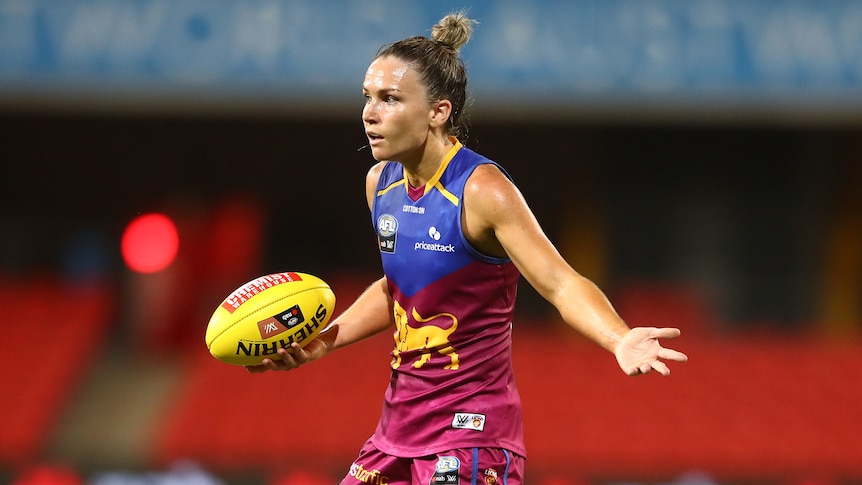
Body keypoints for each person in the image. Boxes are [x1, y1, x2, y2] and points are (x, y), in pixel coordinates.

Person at [248, 12, 688, 485]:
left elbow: (560, 282)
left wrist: (617, 337)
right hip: (396, 430)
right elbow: (400, 286)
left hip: (471, 435)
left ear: (438, 112)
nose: (370, 114)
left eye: (390, 99)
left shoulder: (482, 190)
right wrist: (323, 341)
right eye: (367, 98)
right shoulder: (381, 184)